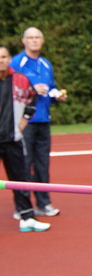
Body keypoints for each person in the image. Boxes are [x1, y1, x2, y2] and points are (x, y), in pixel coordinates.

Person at [9, 27, 67, 217]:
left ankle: (43, 203)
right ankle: (22, 207)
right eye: (30, 38)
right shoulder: (16, 63)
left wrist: (55, 95)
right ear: (23, 41)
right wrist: (33, 88)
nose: (34, 41)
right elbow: (9, 88)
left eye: (37, 38)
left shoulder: (46, 64)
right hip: (23, 122)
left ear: (42, 41)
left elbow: (50, 89)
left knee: (42, 163)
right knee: (23, 164)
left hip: (43, 120)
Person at [0, 46, 50, 232]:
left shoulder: (20, 79)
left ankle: (27, 217)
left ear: (9, 59)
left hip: (14, 139)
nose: (1, 61)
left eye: (4, 57)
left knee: (21, 179)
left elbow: (32, 97)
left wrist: (25, 117)